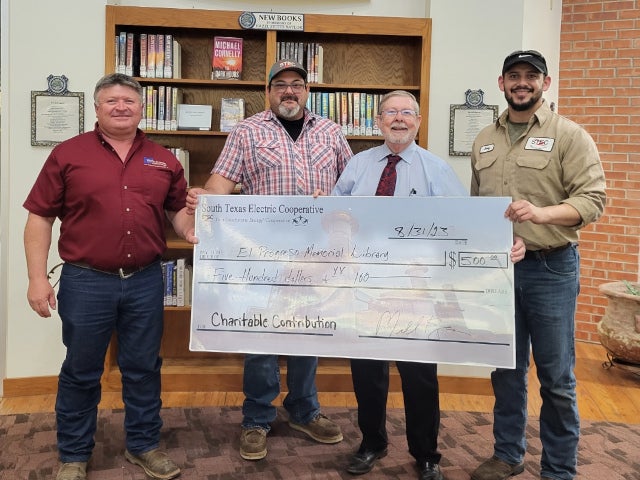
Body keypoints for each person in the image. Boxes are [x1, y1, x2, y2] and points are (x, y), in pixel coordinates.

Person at [328, 90, 524, 480]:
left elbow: (463, 225)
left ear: (417, 121)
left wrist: (502, 245)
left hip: (416, 290)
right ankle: (372, 443)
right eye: (390, 113)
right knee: (367, 373)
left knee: (419, 376)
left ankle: (427, 454)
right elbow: (336, 216)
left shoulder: (435, 170)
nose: (398, 119)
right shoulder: (357, 166)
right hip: (365, 287)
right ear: (378, 121)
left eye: (406, 113)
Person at [23, 73, 196, 480]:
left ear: (141, 108)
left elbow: (178, 215)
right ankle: (74, 455)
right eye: (111, 101)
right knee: (81, 370)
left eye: (129, 101)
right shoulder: (68, 154)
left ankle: (143, 446)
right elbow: (39, 217)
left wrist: (192, 223)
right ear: (97, 109)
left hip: (145, 280)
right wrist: (36, 278)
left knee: (143, 368)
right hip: (87, 282)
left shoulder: (164, 159)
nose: (121, 107)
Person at [186, 59, 353, 461]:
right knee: (260, 334)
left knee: (307, 331)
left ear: (308, 91)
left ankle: (304, 410)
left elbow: (353, 190)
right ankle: (256, 417)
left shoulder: (331, 133)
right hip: (261, 256)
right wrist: (202, 200)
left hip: (317, 254)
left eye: (297, 84)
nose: (289, 91)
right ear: (268, 92)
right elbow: (219, 186)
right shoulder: (246, 132)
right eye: (281, 85)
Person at [469, 50, 606, 480]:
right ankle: (508, 454)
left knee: (557, 379)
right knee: (506, 369)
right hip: (501, 272)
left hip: (551, 270)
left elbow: (593, 200)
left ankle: (559, 470)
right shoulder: (483, 140)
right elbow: (478, 208)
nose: (522, 82)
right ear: (501, 82)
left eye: (531, 76)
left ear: (545, 83)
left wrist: (541, 215)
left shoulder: (570, 136)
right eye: (514, 75)